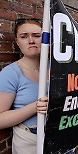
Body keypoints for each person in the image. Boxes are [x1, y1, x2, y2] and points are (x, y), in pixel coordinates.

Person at [0, 18, 49, 154]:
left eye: (37, 36)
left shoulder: (58, 68)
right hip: (29, 141)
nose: (31, 41)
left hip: (59, 136)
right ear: (17, 42)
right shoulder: (10, 73)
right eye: (24, 36)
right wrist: (35, 107)